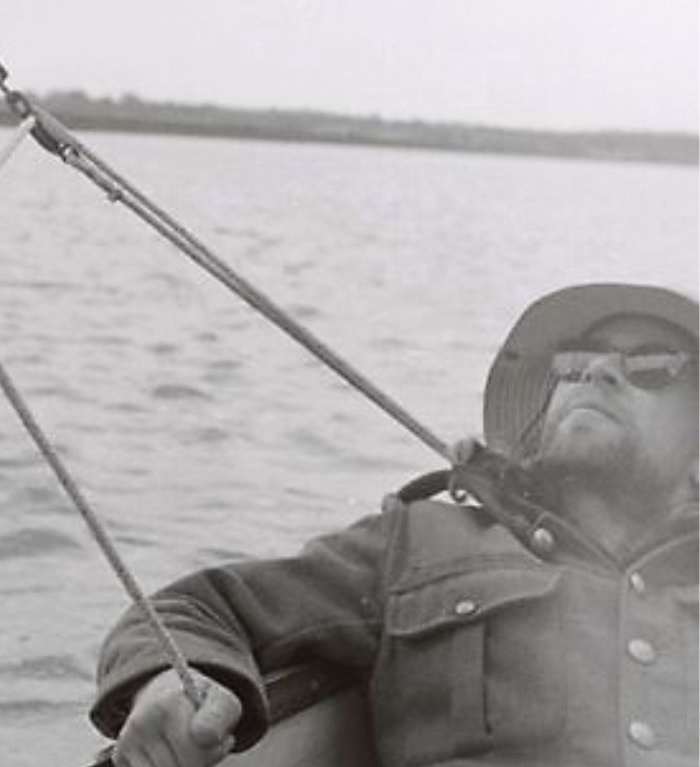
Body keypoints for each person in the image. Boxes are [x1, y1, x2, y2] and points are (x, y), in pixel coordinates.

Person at [90, 282, 698, 767]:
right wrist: (171, 681)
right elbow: (190, 610)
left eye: (648, 364)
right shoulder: (420, 542)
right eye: (576, 362)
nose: (596, 373)